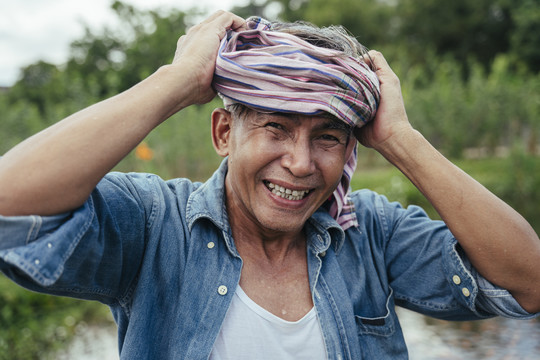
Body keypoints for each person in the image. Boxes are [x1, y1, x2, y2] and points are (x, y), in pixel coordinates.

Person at [0, 10, 539, 359]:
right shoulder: (155, 224)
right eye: (275, 127)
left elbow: (529, 281)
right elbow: (10, 202)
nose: (300, 164)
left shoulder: (369, 231)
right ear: (223, 132)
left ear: (352, 149)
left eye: (328, 137)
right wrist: (179, 81)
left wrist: (401, 139)